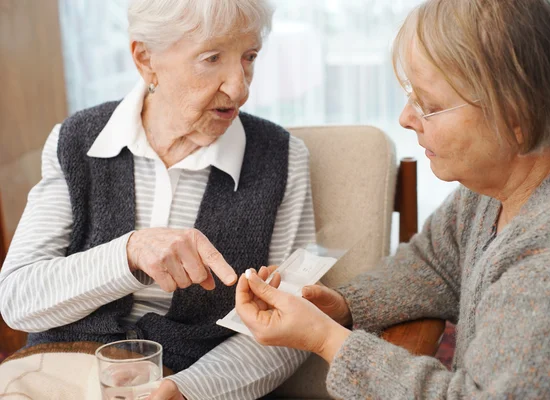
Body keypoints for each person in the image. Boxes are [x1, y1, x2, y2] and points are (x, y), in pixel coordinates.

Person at [235, 0, 550, 398]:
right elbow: (435, 261)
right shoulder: (500, 181)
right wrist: (344, 305)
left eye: (429, 105)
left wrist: (328, 341)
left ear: (515, 115)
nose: (406, 118)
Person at [0, 0, 315, 399]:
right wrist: (130, 253)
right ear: (146, 59)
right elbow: (17, 298)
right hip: (55, 371)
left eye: (249, 57)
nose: (239, 87)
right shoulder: (77, 141)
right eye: (212, 57)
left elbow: (288, 324)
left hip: (190, 381)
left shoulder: (280, 158)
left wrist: (189, 389)